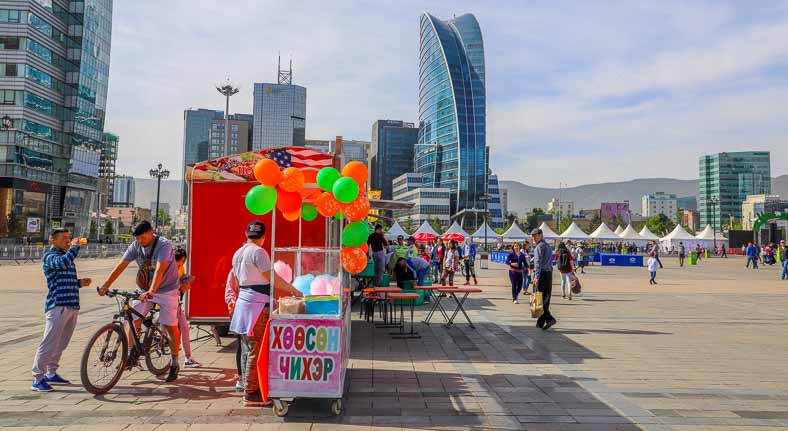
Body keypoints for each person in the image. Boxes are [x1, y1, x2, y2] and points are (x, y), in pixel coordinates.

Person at [228, 221, 303, 406]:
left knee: (247, 347)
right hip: (257, 305)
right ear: (264, 237)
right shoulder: (259, 252)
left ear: (246, 234)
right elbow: (273, 278)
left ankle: (249, 385)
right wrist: (294, 290)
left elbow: (237, 280)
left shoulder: (238, 253)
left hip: (244, 303)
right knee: (256, 349)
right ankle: (251, 393)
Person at [99, 221, 181, 383]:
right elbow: (122, 264)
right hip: (145, 290)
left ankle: (175, 362)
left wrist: (152, 291)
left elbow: (160, 268)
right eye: (137, 238)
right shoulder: (136, 245)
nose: (140, 241)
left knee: (170, 326)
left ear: (151, 232)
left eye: (143, 237)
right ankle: (132, 354)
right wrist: (106, 285)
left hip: (167, 290)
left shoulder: (164, 244)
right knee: (133, 319)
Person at [31, 229, 91, 392]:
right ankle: (37, 378)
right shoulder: (50, 257)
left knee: (61, 343)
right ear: (53, 241)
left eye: (69, 238)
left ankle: (51, 373)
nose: (68, 240)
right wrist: (75, 246)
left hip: (71, 305)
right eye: (64, 238)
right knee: (49, 342)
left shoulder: (66, 256)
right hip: (58, 306)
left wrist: (79, 283)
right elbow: (62, 263)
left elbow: (63, 278)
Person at [173, 247, 201, 368]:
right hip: (170, 304)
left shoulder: (180, 268)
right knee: (177, 330)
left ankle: (187, 357)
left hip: (175, 303)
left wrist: (185, 280)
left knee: (183, 328)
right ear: (183, 259)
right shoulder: (172, 269)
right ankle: (184, 358)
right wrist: (182, 286)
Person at [224, 267, 244, 392]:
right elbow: (230, 291)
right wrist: (232, 303)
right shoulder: (235, 271)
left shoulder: (258, 268)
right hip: (240, 312)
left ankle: (253, 377)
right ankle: (241, 378)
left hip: (256, 311)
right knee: (241, 345)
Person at [532, 229, 556, 330]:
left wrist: (536, 277)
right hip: (549, 274)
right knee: (546, 298)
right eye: (532, 236)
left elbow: (537, 263)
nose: (533, 237)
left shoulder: (539, 247)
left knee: (539, 299)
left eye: (535, 235)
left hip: (541, 274)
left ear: (541, 235)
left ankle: (549, 318)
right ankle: (540, 322)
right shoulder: (547, 246)